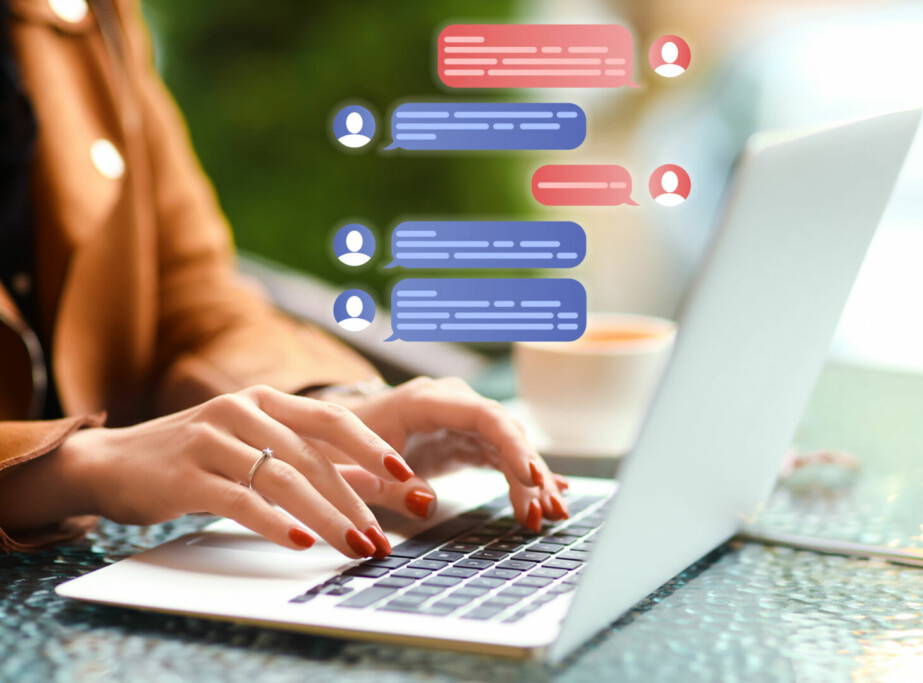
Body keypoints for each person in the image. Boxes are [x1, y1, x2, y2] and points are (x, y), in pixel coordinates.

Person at [0, 0, 568, 558]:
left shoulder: (83, 12)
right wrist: (79, 465)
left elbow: (189, 297)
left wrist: (324, 412)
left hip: (92, 567)